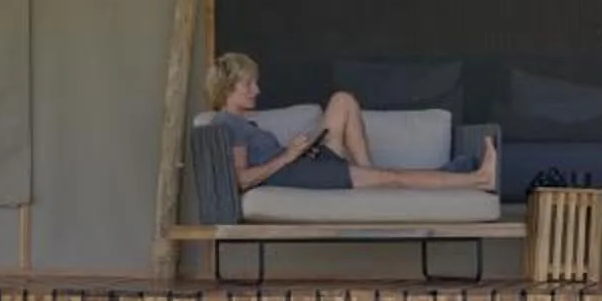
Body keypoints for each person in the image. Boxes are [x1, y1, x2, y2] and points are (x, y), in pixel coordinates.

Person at [205, 54, 496, 195]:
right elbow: (240, 180)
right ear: (227, 87)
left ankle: (370, 175)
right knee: (391, 176)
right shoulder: (226, 123)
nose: (256, 90)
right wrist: (288, 156)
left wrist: (299, 149)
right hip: (296, 171)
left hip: (303, 162)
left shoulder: (239, 122)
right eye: (248, 84)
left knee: (342, 100)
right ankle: (479, 178)